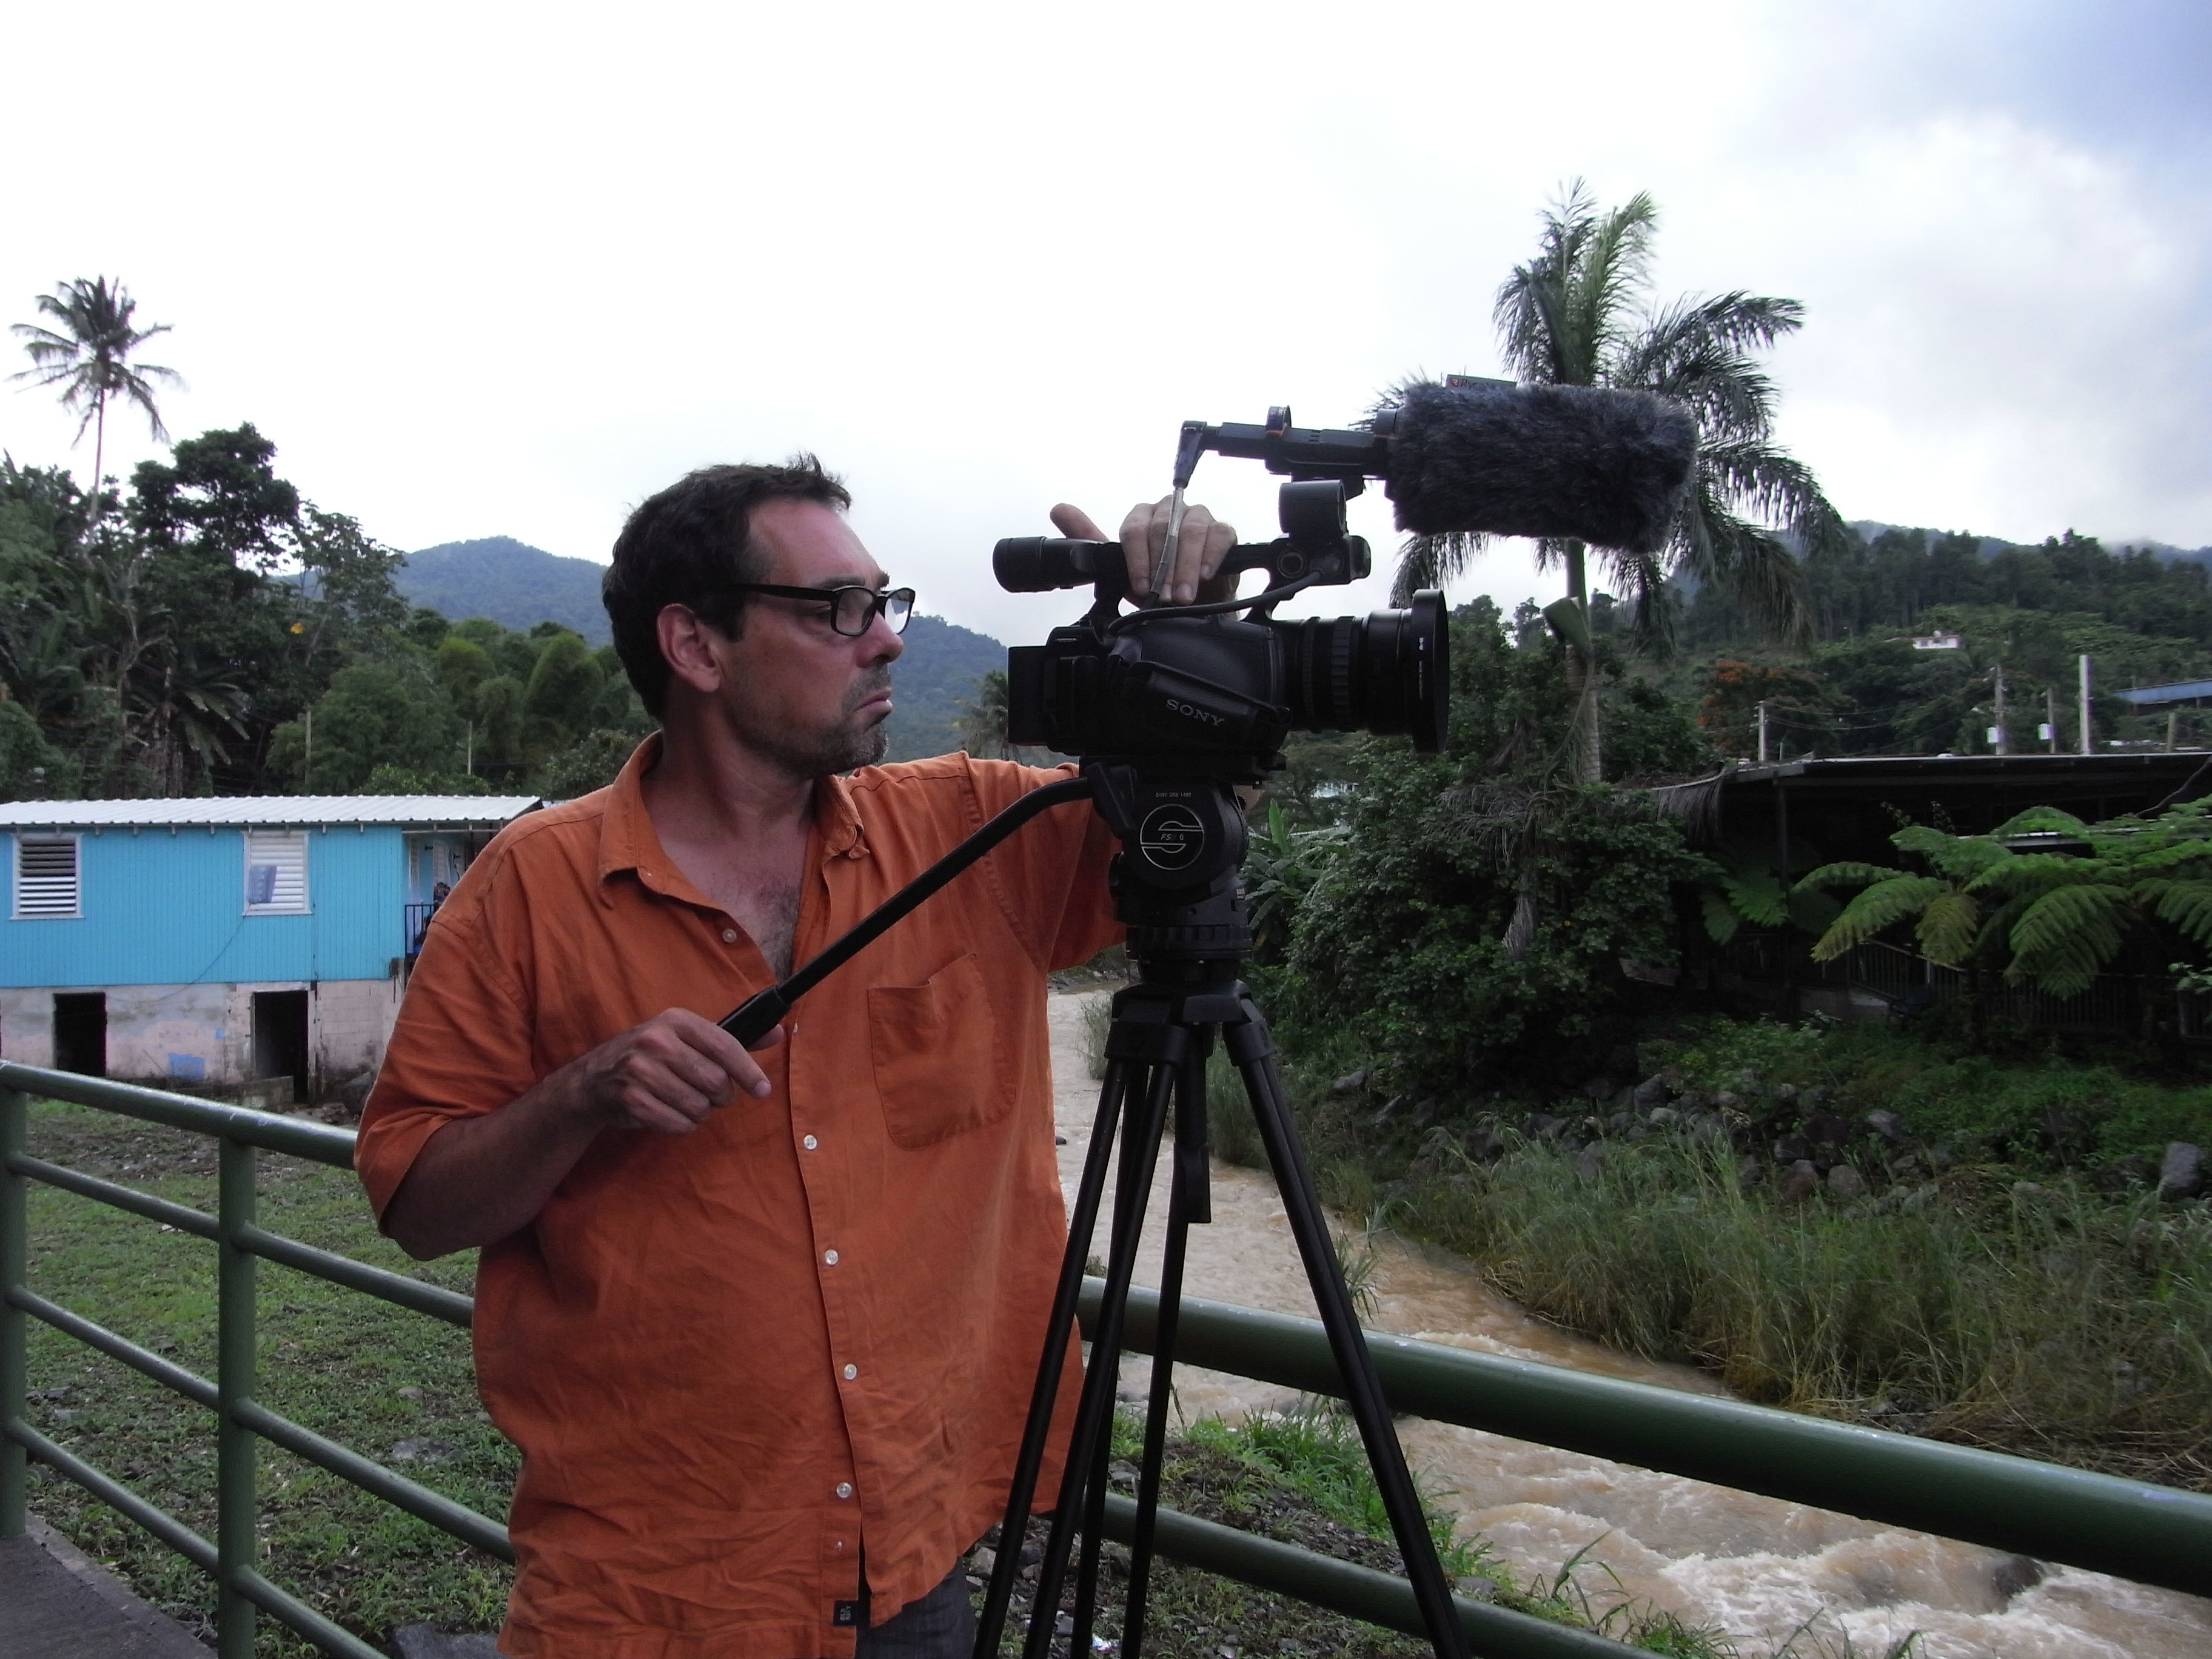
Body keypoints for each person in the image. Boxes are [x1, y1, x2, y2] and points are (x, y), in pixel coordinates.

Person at [352, 457, 1237, 1659]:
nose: (884, 644)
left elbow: (1195, 829)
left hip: (910, 1562)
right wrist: (580, 1098)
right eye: (837, 610)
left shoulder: (982, 831)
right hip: (646, 1588)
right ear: (698, 646)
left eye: (887, 604)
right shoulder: (531, 886)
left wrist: (1182, 636)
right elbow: (414, 1200)